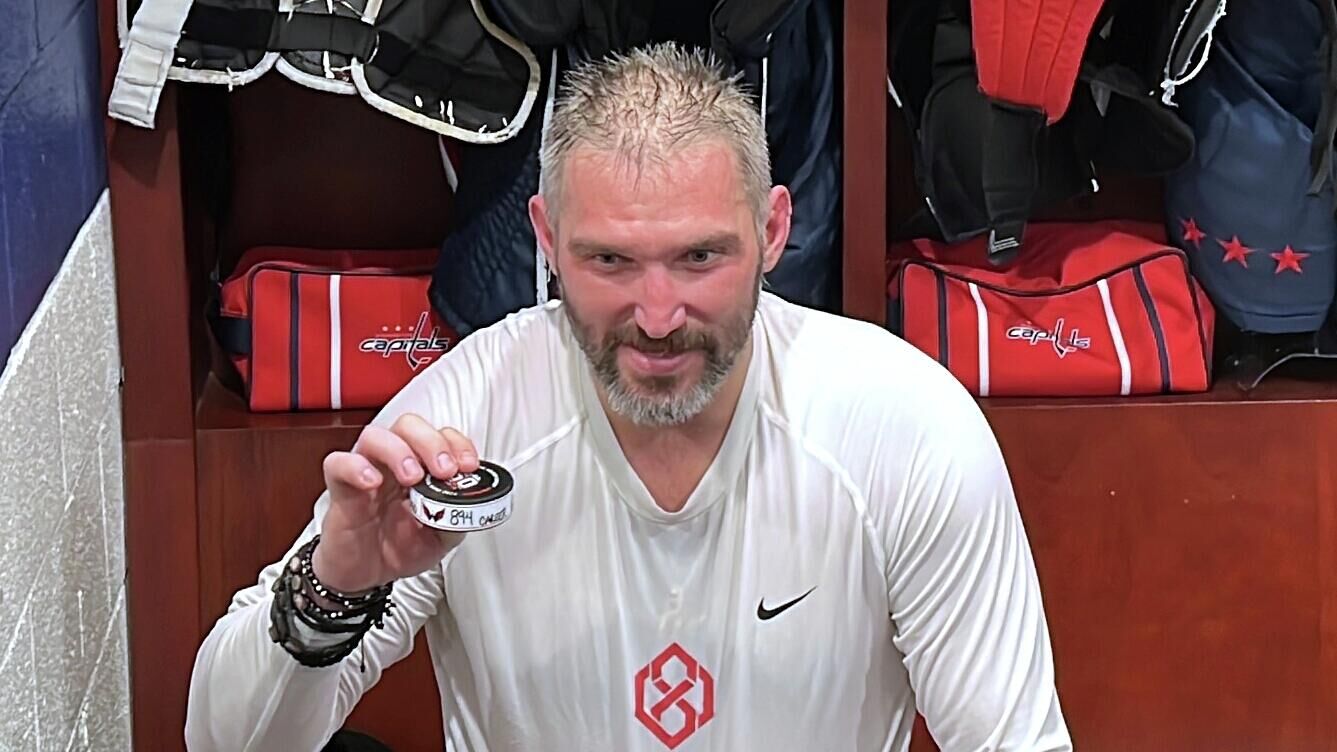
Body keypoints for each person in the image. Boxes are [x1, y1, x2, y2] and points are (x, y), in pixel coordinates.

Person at [184, 42, 1072, 751]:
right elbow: (222, 741)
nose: (656, 318)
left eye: (699, 257)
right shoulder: (465, 419)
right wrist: (332, 588)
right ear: (547, 237)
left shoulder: (905, 426)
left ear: (772, 230)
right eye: (609, 260)